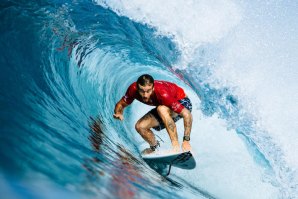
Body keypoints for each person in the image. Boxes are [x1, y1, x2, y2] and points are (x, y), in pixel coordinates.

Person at [113, 74, 193, 154]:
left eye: (148, 91)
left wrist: (186, 140)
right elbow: (121, 104)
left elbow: (187, 114)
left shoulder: (163, 94)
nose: (145, 95)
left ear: (153, 88)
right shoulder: (132, 89)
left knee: (161, 109)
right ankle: (154, 148)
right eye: (142, 91)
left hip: (183, 102)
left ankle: (176, 147)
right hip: (166, 107)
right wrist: (118, 113)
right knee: (140, 126)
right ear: (137, 88)